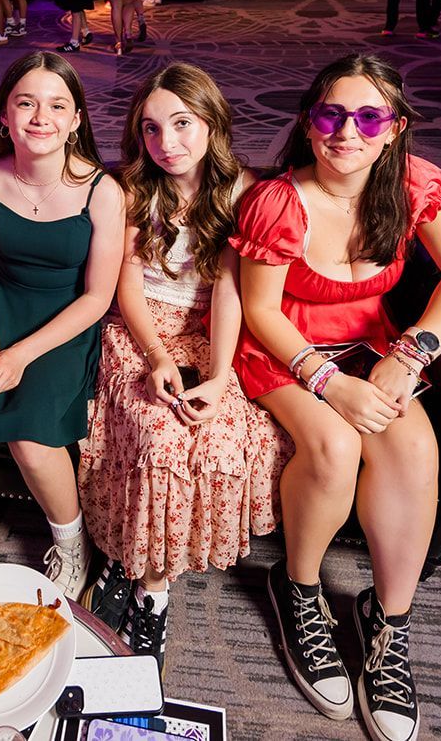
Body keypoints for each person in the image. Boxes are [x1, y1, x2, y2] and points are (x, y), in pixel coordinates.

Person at [234, 53, 441, 741]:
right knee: (335, 443)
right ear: (308, 121)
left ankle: (390, 621)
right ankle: (298, 589)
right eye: (330, 113)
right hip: (285, 350)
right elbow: (261, 311)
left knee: (414, 448)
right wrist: (328, 381)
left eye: (368, 116)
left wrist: (412, 352)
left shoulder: (411, 185)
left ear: (393, 128)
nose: (346, 131)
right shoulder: (278, 201)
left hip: (372, 343)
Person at [78, 63, 285, 668]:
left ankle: (141, 572)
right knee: (155, 433)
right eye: (150, 129)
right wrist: (157, 355)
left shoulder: (242, 191)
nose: (166, 144)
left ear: (212, 124)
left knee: (213, 435)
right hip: (140, 333)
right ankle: (148, 586)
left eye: (182, 124)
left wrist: (220, 376)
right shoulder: (133, 189)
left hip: (209, 332)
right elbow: (128, 287)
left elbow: (228, 291)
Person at [0, 51, 125, 600]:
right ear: (5, 116)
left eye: (58, 105)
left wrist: (20, 355)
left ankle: (71, 540)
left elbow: (98, 296)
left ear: (77, 119)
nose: (42, 117)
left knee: (32, 445)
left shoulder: (102, 191)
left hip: (63, 324)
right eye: (27, 103)